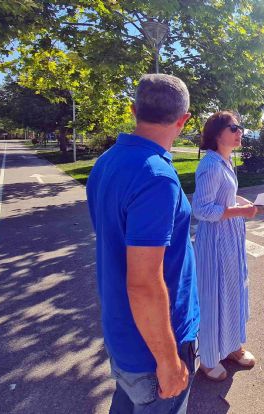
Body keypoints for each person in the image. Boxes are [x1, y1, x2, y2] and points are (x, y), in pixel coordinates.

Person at [86, 74, 200, 413]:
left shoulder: (108, 161)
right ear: (184, 120)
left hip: (125, 334)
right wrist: (168, 361)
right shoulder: (155, 177)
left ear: (134, 110)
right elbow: (145, 282)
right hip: (153, 347)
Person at [192, 111, 259, 381]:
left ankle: (231, 346)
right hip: (216, 241)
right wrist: (240, 212)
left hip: (229, 237)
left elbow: (227, 196)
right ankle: (208, 359)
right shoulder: (209, 164)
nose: (239, 131)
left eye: (240, 127)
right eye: (233, 128)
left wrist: (245, 204)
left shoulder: (225, 161)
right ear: (217, 133)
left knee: (231, 291)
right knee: (213, 296)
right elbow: (201, 209)